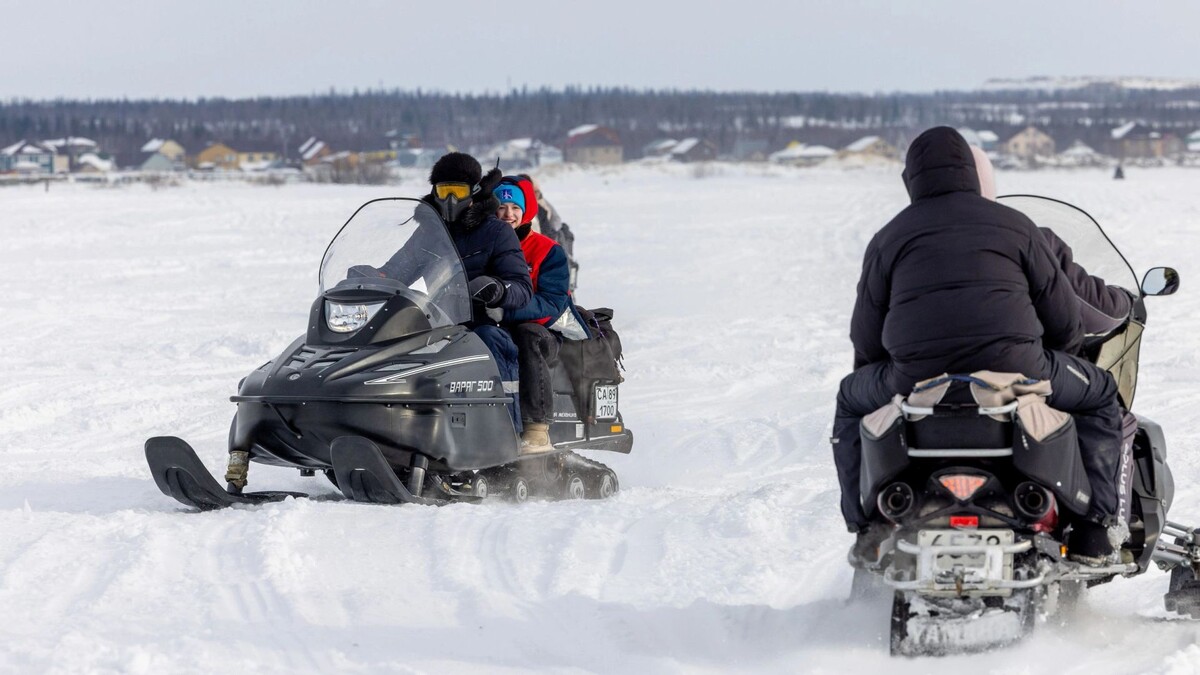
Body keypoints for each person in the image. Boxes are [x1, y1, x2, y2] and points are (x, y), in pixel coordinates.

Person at [832, 127, 1124, 565]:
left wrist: (888, 373)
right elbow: (1065, 321)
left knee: (849, 397)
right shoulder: (1016, 225)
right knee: (1100, 394)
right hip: (1021, 369)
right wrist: (1058, 357)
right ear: (971, 173)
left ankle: (867, 527)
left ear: (911, 179)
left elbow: (866, 336)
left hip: (914, 378)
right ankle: (1093, 528)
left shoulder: (888, 237)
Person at [381, 152, 533, 427]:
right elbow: (397, 270)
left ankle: (508, 430)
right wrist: (372, 277)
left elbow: (523, 287)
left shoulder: (496, 231)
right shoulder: (429, 232)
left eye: (458, 191)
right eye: (444, 191)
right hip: (438, 321)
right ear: (435, 192)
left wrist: (498, 289)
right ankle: (397, 423)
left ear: (473, 192)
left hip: (485, 321)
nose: (450, 199)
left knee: (490, 340)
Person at [971, 146, 1133, 341]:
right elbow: (1097, 309)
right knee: (1097, 372)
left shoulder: (923, 239)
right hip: (1011, 363)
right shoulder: (1026, 238)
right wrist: (1126, 299)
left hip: (930, 368)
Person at [492, 176, 589, 454]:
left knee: (527, 335)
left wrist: (506, 310)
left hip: (544, 331)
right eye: (501, 207)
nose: (508, 214)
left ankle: (537, 428)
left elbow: (553, 301)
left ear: (525, 212)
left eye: (514, 208)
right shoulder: (485, 246)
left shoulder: (548, 250)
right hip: (496, 325)